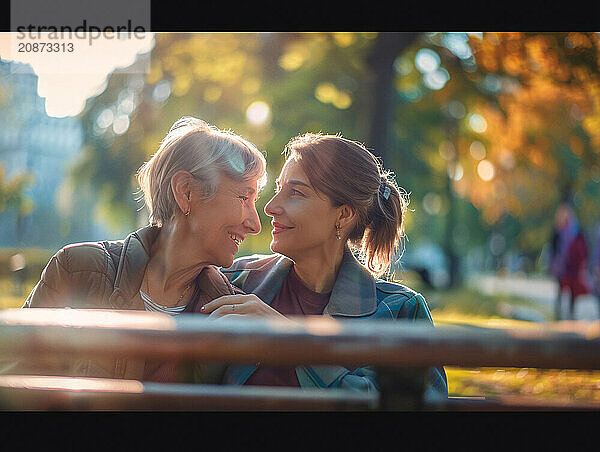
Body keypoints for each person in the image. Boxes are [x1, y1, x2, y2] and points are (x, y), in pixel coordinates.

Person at [1, 116, 267, 382]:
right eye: (244, 197)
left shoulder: (233, 308)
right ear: (186, 191)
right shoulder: (77, 269)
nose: (255, 224)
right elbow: (15, 386)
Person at [201, 133, 448, 398]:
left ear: (343, 214)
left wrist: (290, 341)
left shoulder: (401, 310)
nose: (271, 207)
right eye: (278, 189)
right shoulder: (235, 281)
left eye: (295, 192)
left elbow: (417, 404)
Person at [549, 203, 592, 320]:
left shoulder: (577, 231)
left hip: (573, 266)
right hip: (561, 267)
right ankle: (558, 316)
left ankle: (571, 315)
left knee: (573, 291)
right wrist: (553, 264)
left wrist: (583, 266)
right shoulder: (557, 231)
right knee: (560, 291)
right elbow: (553, 249)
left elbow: (583, 249)